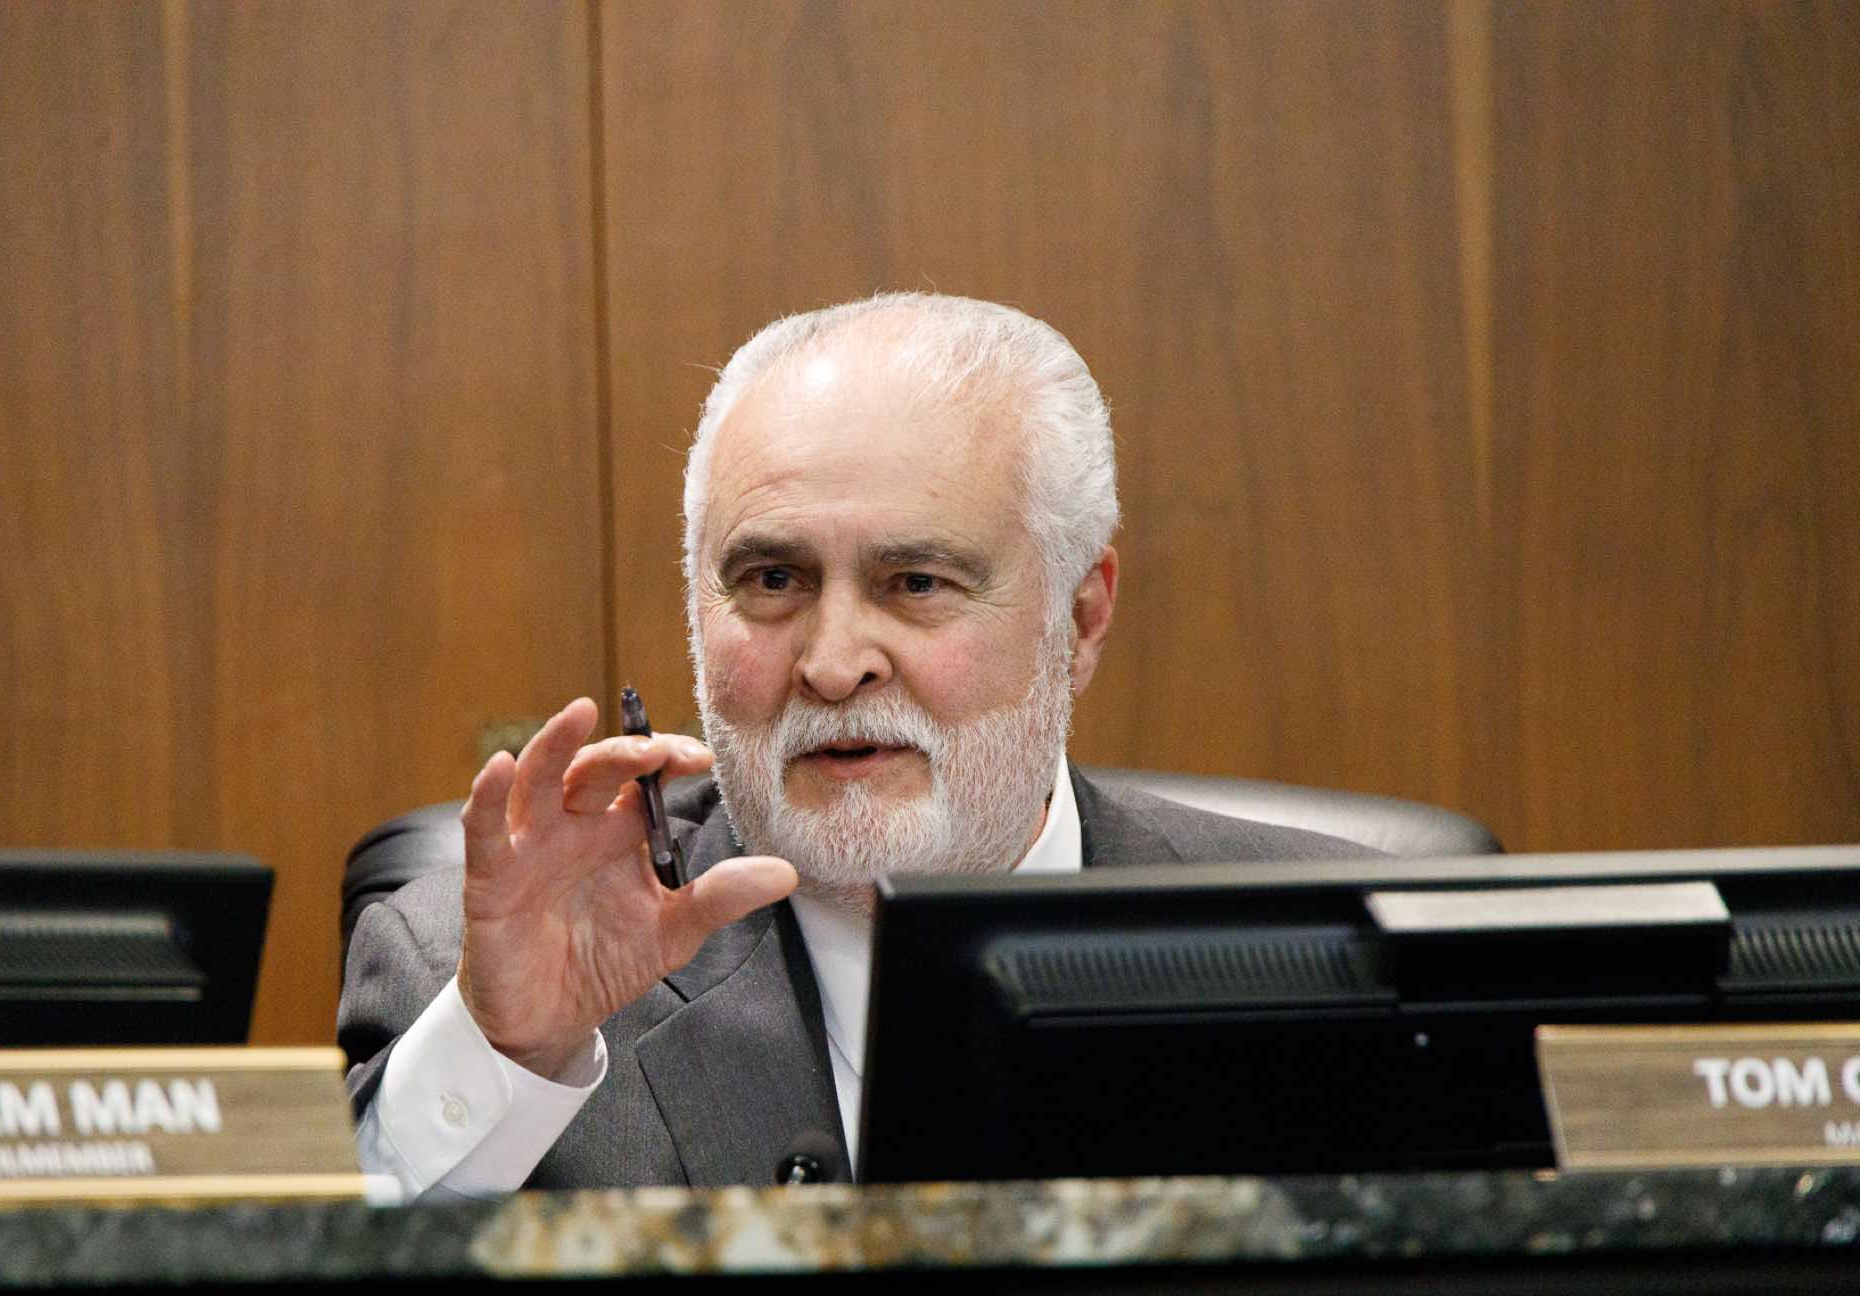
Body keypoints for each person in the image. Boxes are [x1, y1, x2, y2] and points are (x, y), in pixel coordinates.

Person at [337, 294, 1366, 1196]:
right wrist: (507, 1052)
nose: (832, 665)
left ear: (1081, 615)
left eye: (916, 583)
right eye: (773, 581)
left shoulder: (1343, 953)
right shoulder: (481, 979)